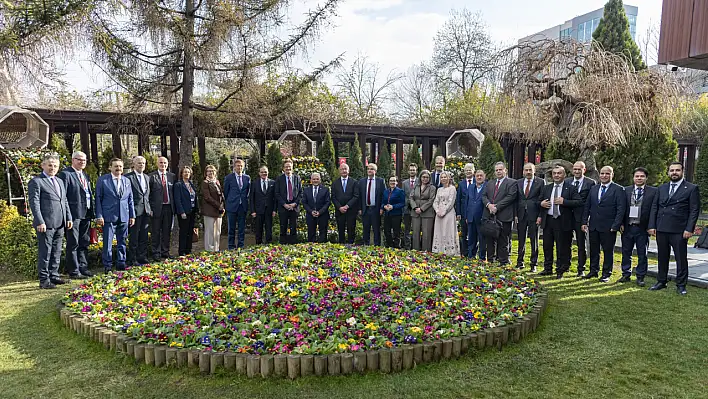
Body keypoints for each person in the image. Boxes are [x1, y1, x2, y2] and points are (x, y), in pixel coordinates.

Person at [648, 162, 700, 295]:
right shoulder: (662, 188)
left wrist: (689, 229)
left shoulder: (691, 188)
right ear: (668, 172)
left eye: (677, 170)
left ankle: (681, 285)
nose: (674, 173)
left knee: (680, 258)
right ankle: (661, 281)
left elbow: (694, 210)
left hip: (679, 229)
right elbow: (655, 207)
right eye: (672, 170)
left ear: (682, 171)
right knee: (662, 256)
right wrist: (652, 225)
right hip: (662, 228)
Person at [29, 154, 73, 289]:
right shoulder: (36, 182)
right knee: (45, 252)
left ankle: (54, 275)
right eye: (49, 165)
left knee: (57, 251)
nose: (52, 168)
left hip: (60, 222)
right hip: (45, 224)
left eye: (55, 166)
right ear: (43, 165)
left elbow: (64, 201)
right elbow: (34, 203)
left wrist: (69, 217)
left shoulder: (59, 181)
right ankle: (44, 280)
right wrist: (39, 221)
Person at [582, 166, 626, 282]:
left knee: (608, 251)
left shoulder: (618, 189)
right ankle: (593, 271)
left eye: (607, 173)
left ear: (612, 175)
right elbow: (588, 206)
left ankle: (606, 273)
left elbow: (621, 209)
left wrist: (615, 225)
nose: (604, 176)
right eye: (602, 173)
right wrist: (584, 221)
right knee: (594, 249)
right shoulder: (594, 188)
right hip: (594, 225)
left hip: (609, 227)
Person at [537, 165, 581, 279]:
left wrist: (564, 201)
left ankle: (561, 269)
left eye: (559, 173)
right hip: (549, 220)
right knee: (547, 245)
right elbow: (538, 201)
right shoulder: (547, 188)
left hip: (563, 221)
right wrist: (541, 204)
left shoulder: (570, 188)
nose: (556, 175)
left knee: (562, 246)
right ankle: (547, 268)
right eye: (554, 173)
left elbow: (578, 202)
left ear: (564, 175)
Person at [57, 151, 92, 278]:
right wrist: (68, 216)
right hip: (73, 214)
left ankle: (83, 267)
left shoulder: (85, 175)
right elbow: (63, 197)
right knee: (73, 243)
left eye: (84, 160)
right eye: (79, 160)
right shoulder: (66, 175)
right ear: (73, 160)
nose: (82, 162)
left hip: (86, 213)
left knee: (84, 242)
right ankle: (74, 270)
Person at [95, 158, 135, 272]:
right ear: (110, 167)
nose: (118, 168)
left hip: (124, 215)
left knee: (122, 241)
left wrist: (132, 215)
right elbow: (98, 199)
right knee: (107, 242)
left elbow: (130, 199)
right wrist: (99, 215)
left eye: (120, 166)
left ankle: (121, 262)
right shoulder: (103, 180)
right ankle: (107, 265)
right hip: (108, 216)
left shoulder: (126, 181)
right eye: (116, 166)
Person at [619, 167, 657, 286]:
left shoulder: (653, 191)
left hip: (643, 228)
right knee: (626, 252)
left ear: (646, 178)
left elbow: (654, 210)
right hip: (628, 227)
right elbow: (620, 208)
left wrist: (651, 226)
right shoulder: (625, 190)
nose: (639, 178)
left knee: (642, 253)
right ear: (633, 178)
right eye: (637, 176)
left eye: (642, 176)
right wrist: (620, 223)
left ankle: (640, 277)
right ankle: (626, 274)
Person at [482, 162, 518, 265]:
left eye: (500, 169)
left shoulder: (512, 183)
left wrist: (497, 207)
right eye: (497, 170)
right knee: (490, 239)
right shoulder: (490, 183)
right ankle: (490, 260)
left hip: (504, 215)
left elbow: (510, 197)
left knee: (503, 240)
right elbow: (484, 196)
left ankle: (503, 261)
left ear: (505, 170)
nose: (498, 171)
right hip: (490, 216)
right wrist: (489, 205)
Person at [566, 161, 596, 277]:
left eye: (579, 169)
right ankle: (566, 266)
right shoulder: (567, 181)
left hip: (581, 217)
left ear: (584, 170)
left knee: (581, 244)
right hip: (568, 217)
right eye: (575, 169)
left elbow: (589, 202)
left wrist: (586, 219)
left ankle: (581, 268)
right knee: (566, 243)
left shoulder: (590, 183)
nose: (577, 171)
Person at [515, 163, 544, 271]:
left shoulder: (540, 182)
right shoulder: (518, 182)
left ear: (534, 171)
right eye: (526, 170)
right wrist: (515, 215)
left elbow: (542, 199)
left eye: (530, 170)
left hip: (534, 215)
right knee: (521, 239)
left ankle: (534, 264)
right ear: (523, 171)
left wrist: (540, 216)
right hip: (521, 214)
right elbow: (516, 200)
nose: (528, 172)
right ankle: (520, 262)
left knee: (534, 240)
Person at [125, 156, 152, 266]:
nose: (141, 165)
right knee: (134, 237)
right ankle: (132, 258)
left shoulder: (147, 177)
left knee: (144, 236)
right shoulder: (128, 177)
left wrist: (149, 208)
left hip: (146, 210)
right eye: (139, 163)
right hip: (135, 211)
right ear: (134, 164)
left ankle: (142, 256)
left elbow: (147, 195)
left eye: (143, 163)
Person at [148, 156, 175, 260]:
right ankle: (156, 253)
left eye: (165, 163)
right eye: (161, 163)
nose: (163, 165)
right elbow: (148, 194)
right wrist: (149, 208)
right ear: (157, 164)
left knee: (167, 231)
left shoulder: (172, 176)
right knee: (156, 232)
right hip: (156, 209)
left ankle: (165, 252)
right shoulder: (151, 176)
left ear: (167, 164)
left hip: (169, 208)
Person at [460, 169, 487, 260]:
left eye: (481, 175)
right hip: (471, 217)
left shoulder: (487, 187)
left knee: (482, 239)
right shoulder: (471, 187)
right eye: (477, 176)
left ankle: (482, 257)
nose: (479, 177)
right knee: (471, 238)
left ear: (484, 176)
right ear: (475, 177)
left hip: (482, 217)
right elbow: (467, 202)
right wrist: (467, 216)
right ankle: (471, 256)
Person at [274, 159, 302, 244]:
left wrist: (295, 204)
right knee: (283, 228)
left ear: (292, 168)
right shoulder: (279, 179)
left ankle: (293, 245)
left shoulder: (297, 178)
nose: (288, 169)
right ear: (283, 168)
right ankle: (283, 246)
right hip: (283, 207)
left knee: (293, 228)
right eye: (286, 167)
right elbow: (277, 193)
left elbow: (300, 192)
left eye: (290, 167)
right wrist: (284, 204)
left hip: (294, 207)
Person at [224, 158, 250, 249]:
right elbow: (226, 192)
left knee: (241, 228)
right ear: (234, 167)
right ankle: (231, 246)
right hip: (232, 206)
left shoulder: (247, 178)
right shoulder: (229, 178)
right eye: (238, 166)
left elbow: (247, 191)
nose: (239, 167)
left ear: (243, 167)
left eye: (241, 166)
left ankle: (241, 245)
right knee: (231, 228)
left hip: (242, 206)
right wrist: (230, 201)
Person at [432, 171, 460, 256]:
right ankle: (439, 250)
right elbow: (435, 201)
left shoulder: (452, 188)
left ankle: (450, 251)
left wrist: (444, 211)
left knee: (448, 231)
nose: (443, 179)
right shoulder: (439, 189)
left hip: (449, 214)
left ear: (449, 178)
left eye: (445, 177)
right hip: (439, 214)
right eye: (442, 177)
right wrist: (437, 210)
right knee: (439, 231)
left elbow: (451, 202)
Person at [173, 166, 199, 256]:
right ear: (181, 174)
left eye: (188, 172)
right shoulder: (178, 185)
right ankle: (182, 251)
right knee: (183, 232)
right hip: (184, 212)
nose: (187, 174)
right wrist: (181, 212)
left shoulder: (191, 184)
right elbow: (177, 199)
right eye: (185, 172)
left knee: (190, 231)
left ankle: (188, 249)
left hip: (192, 211)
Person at [331, 163, 359, 244]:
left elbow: (356, 196)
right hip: (339, 211)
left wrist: (347, 206)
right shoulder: (335, 183)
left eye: (345, 169)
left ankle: (351, 246)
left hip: (351, 211)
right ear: (339, 171)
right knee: (341, 230)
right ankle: (341, 246)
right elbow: (333, 197)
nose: (344, 171)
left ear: (348, 171)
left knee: (351, 229)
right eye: (342, 169)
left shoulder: (354, 182)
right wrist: (340, 207)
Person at [409, 170, 436, 251]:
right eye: (423, 177)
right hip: (415, 213)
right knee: (415, 233)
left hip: (427, 213)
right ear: (420, 177)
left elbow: (431, 200)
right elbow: (411, 197)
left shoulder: (432, 188)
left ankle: (426, 251)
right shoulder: (416, 186)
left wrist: (422, 209)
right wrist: (415, 207)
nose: (425, 179)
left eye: (427, 177)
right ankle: (415, 250)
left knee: (426, 234)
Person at [249, 165, 276, 245]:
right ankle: (258, 246)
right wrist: (253, 210)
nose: (264, 173)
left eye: (265, 172)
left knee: (269, 230)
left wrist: (274, 210)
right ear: (259, 173)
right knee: (258, 230)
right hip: (258, 211)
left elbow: (275, 198)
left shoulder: (273, 183)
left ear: (268, 172)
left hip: (269, 210)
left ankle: (269, 246)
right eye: (262, 172)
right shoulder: (254, 183)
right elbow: (251, 198)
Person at [358, 163, 385, 246]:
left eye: (371, 169)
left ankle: (377, 246)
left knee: (376, 229)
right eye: (368, 169)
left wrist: (382, 208)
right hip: (365, 209)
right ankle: (366, 245)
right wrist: (360, 208)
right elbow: (359, 196)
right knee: (366, 228)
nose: (369, 170)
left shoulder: (380, 181)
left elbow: (384, 195)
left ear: (375, 171)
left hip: (376, 209)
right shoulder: (362, 181)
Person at [202, 165, 225, 252]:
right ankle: (209, 250)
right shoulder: (205, 183)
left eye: (212, 171)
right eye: (209, 171)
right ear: (206, 173)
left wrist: (222, 206)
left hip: (218, 210)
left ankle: (216, 249)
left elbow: (221, 196)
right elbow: (207, 197)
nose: (211, 173)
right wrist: (219, 205)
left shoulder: (217, 182)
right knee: (210, 231)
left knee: (217, 232)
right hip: (210, 210)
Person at [303, 172, 330, 243]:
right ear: (311, 180)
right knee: (311, 234)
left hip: (322, 215)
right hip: (310, 215)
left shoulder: (325, 190)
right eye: (314, 179)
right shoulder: (306, 190)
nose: (315, 180)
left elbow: (327, 203)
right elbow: (304, 203)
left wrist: (320, 212)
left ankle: (323, 250)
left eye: (317, 179)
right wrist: (311, 211)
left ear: (320, 180)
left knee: (323, 235)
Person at [381, 175, 406, 248]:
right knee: (386, 231)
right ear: (388, 182)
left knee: (396, 232)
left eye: (394, 181)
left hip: (396, 214)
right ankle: (390, 245)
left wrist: (393, 207)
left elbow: (402, 203)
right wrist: (384, 206)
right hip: (387, 214)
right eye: (391, 181)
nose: (392, 182)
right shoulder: (385, 191)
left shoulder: (400, 191)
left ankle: (396, 247)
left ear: (397, 182)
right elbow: (382, 202)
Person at [456, 163, 475, 256]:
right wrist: (458, 213)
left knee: (473, 233)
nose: (468, 171)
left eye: (470, 170)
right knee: (464, 233)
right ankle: (464, 252)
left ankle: (473, 252)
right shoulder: (461, 184)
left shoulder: (477, 182)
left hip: (474, 212)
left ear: (473, 171)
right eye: (466, 170)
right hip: (463, 212)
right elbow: (458, 200)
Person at [402, 163, 418, 249]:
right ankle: (407, 247)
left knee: (416, 229)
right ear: (408, 171)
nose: (412, 171)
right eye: (411, 170)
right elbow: (403, 195)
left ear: (416, 171)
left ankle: (416, 247)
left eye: (413, 170)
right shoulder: (404, 183)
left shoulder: (420, 181)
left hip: (416, 209)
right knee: (407, 229)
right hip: (407, 209)